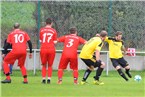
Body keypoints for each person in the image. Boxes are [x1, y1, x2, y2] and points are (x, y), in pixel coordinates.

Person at [39, 18, 57, 84]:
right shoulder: (53, 31)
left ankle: (43, 79)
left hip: (43, 48)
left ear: (45, 23)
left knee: (44, 65)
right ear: (51, 23)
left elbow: (40, 40)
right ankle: (49, 79)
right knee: (50, 65)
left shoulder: (41, 30)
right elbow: (55, 42)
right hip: (51, 49)